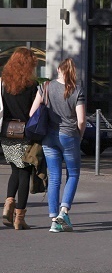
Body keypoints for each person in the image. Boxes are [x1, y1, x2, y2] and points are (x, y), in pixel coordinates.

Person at [41, 57, 86, 233]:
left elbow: (32, 112)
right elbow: (81, 120)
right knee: (73, 174)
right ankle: (63, 211)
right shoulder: (77, 90)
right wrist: (79, 137)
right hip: (69, 136)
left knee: (54, 178)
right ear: (73, 72)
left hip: (48, 137)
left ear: (59, 70)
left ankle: (54, 220)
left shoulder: (46, 87)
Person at [1, 47, 44, 230]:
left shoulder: (4, 83)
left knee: (14, 170)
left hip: (6, 132)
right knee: (25, 172)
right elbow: (34, 112)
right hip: (24, 132)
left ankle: (8, 203)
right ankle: (19, 217)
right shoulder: (32, 85)